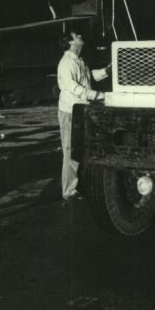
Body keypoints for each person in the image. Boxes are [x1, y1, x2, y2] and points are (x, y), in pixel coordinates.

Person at [57, 30, 109, 201]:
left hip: (82, 110)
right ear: (71, 43)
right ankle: (69, 191)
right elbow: (76, 88)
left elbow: (88, 78)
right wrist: (99, 96)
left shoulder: (78, 60)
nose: (81, 36)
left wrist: (106, 71)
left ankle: (78, 185)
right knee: (71, 151)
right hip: (71, 111)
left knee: (83, 150)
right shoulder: (66, 63)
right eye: (77, 36)